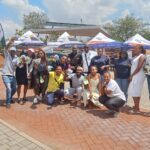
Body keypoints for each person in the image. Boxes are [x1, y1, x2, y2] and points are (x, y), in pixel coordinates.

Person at [128, 45, 145, 113]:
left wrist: (131, 75)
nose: (134, 49)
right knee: (136, 91)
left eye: (135, 48)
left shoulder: (142, 56)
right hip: (136, 75)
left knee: (134, 91)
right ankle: (136, 106)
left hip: (138, 76)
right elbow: (135, 66)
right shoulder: (136, 56)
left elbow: (139, 68)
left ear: (140, 49)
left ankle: (136, 109)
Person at [2, 38, 18, 108]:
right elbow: (5, 48)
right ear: (10, 51)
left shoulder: (16, 58)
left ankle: (9, 97)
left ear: (15, 52)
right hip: (5, 75)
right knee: (9, 88)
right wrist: (10, 42)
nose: (13, 52)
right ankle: (8, 102)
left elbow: (18, 66)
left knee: (15, 88)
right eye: (12, 51)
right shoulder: (7, 55)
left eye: (14, 51)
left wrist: (22, 63)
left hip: (12, 75)